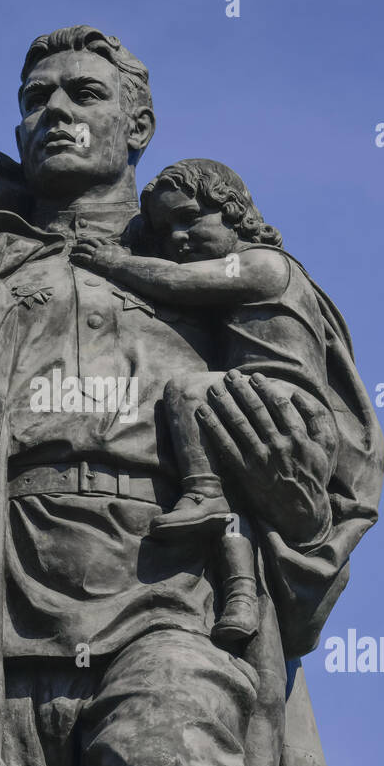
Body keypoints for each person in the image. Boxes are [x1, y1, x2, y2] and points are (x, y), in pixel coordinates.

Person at [0, 26, 384, 766]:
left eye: (84, 93)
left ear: (138, 127)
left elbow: (326, 470)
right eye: (35, 99)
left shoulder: (216, 268)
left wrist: (294, 493)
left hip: (172, 600)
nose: (55, 111)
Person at [70, 158, 327, 644]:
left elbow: (176, 282)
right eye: (166, 228)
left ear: (234, 212)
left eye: (191, 219)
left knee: (188, 389)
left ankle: (202, 488)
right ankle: (240, 600)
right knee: (232, 513)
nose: (178, 238)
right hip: (251, 403)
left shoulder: (265, 265)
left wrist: (114, 263)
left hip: (287, 404)